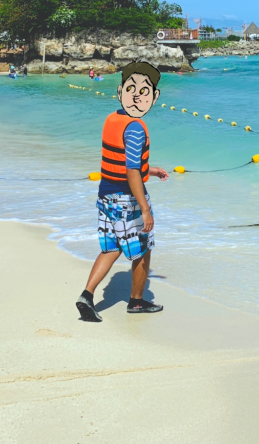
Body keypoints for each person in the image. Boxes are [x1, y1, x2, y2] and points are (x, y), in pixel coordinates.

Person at [76, 61, 169, 322]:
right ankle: (137, 302)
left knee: (111, 248)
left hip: (105, 195)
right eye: (132, 90)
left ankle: (87, 295)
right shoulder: (136, 128)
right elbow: (129, 171)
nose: (138, 97)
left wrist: (150, 170)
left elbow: (122, 162)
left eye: (144, 92)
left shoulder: (112, 118)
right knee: (142, 249)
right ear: (120, 92)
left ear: (153, 97)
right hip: (127, 200)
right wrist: (146, 209)